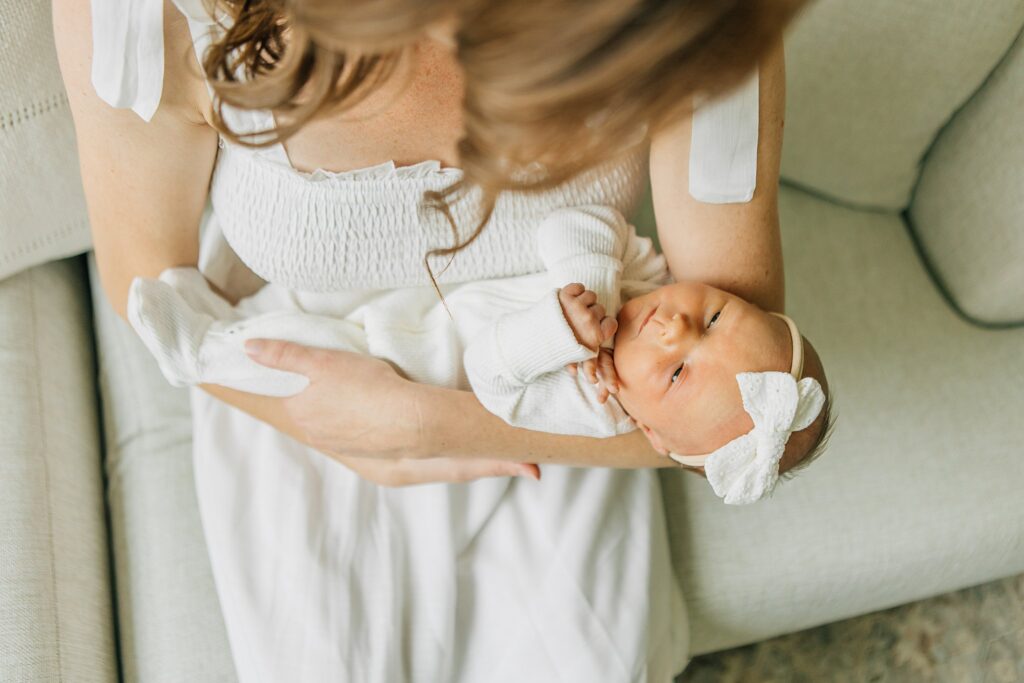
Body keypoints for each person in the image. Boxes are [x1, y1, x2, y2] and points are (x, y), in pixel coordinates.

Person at [54, 0, 809, 678]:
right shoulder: (137, 18)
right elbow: (145, 283)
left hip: (553, 414)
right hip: (306, 387)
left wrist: (425, 425)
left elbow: (720, 417)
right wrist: (335, 424)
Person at [127, 204, 832, 506]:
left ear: (649, 430)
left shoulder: (593, 405)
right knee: (306, 288)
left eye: (677, 371)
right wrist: (589, 287)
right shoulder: (643, 278)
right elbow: (577, 221)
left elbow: (492, 379)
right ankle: (217, 283)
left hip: (405, 356)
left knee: (296, 352)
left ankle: (201, 346)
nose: (677, 325)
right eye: (716, 313)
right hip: (417, 290)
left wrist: (560, 330)